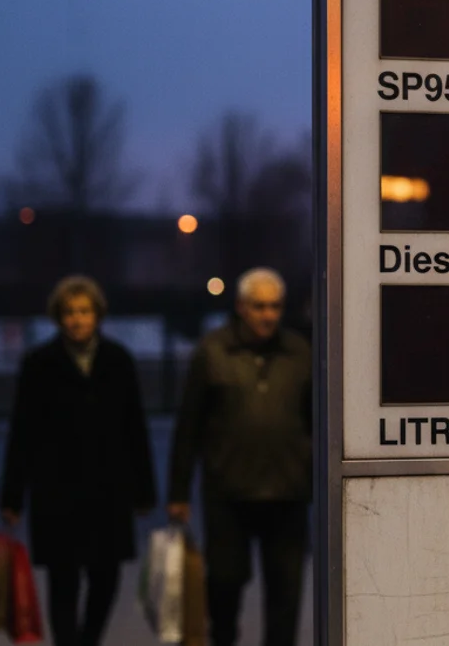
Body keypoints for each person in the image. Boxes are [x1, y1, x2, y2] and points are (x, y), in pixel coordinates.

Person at [0, 275, 157, 646]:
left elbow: (135, 427)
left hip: (108, 489)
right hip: (58, 491)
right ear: (58, 317)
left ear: (97, 315)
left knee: (106, 578)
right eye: (69, 312)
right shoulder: (39, 363)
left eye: (84, 311)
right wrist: (12, 496)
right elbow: (22, 431)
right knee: (63, 581)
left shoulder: (118, 360)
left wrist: (144, 490)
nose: (77, 319)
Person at [167, 267, 313, 646]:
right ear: (241, 306)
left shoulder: (300, 352)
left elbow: (317, 421)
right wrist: (179, 491)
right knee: (224, 585)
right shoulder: (213, 351)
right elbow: (189, 424)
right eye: (259, 306)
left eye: (275, 306)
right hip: (228, 491)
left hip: (287, 491)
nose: (268, 315)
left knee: (286, 593)